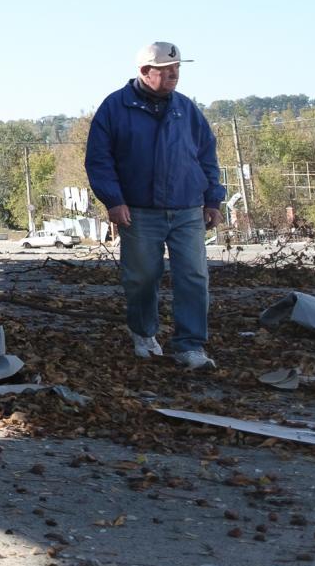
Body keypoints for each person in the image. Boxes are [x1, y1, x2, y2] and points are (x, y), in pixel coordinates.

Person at [84, 42, 226, 370]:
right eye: (166, 70)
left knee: (193, 275)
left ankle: (190, 346)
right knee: (142, 276)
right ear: (145, 72)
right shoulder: (115, 108)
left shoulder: (186, 110)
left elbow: (207, 155)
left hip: (187, 208)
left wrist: (213, 199)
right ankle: (144, 333)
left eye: (177, 68)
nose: (174, 75)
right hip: (139, 210)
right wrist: (114, 200)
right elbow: (99, 158)